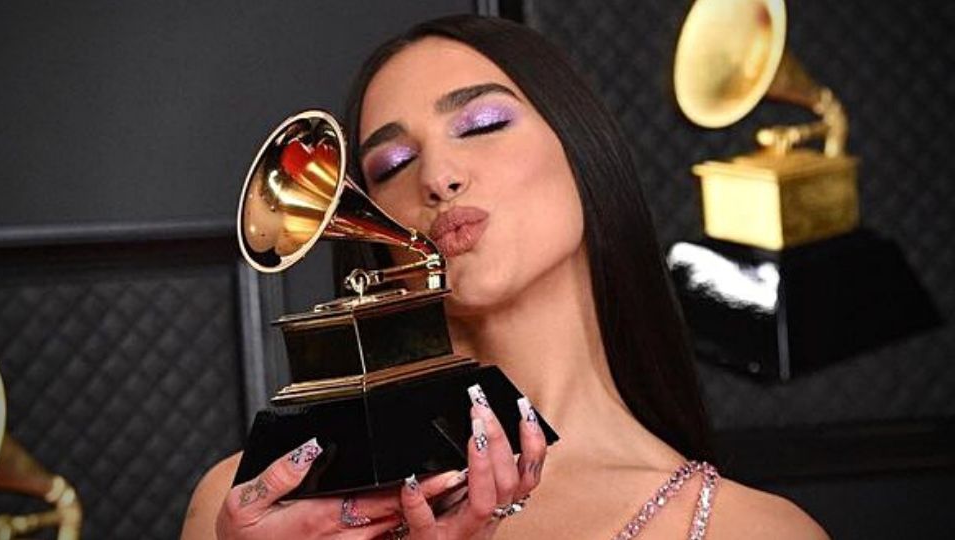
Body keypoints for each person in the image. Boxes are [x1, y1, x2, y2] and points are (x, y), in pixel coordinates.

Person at [182, 14, 828, 539]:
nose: (437, 177)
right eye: (393, 163)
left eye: (483, 125)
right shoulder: (257, 508)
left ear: (583, 154)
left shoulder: (755, 530)